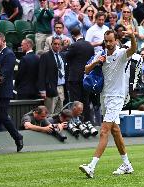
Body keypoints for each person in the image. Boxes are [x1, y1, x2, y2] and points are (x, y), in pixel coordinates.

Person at [79, 29, 137, 178]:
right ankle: (127, 164)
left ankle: (91, 166)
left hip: (117, 97)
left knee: (104, 130)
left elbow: (133, 49)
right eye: (106, 41)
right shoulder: (101, 54)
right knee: (115, 131)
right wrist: (97, 62)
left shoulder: (121, 53)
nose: (109, 43)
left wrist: (132, 37)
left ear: (116, 41)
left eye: (111, 41)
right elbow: (86, 70)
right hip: (104, 96)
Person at [0, 33, 24, 152]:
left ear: (3, 41)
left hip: (4, 91)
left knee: (2, 116)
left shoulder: (9, 54)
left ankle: (17, 137)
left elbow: (4, 73)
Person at [65, 27, 94, 122]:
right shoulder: (90, 46)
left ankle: (75, 122)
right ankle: (87, 122)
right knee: (86, 101)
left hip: (75, 78)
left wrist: (65, 47)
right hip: (86, 78)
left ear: (73, 36)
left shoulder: (74, 45)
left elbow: (66, 57)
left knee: (75, 102)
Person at [38, 37, 67, 114]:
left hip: (61, 87)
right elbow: (41, 73)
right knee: (49, 113)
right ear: (51, 44)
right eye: (55, 44)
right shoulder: (45, 56)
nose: (57, 46)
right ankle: (49, 126)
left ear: (61, 45)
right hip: (50, 87)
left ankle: (57, 126)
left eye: (59, 44)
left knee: (60, 112)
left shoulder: (62, 56)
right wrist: (42, 90)